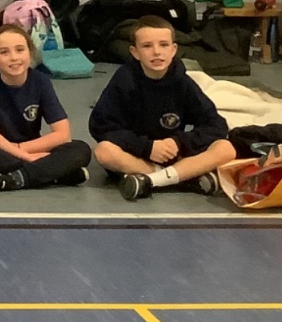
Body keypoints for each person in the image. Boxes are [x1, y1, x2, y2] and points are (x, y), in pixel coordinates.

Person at [89, 15, 234, 202]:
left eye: (164, 45)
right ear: (135, 52)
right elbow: (100, 126)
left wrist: (178, 142)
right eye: (147, 46)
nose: (156, 52)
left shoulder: (183, 83)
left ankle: (151, 181)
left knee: (225, 148)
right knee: (104, 151)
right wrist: (147, 147)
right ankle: (184, 179)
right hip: (137, 157)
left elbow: (216, 125)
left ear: (174, 50)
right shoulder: (124, 82)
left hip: (174, 154)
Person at [0, 23, 92, 193]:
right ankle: (55, 173)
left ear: (30, 53)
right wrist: (27, 157)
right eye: (4, 52)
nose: (14, 57)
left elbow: (62, 133)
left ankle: (9, 180)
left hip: (30, 145)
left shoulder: (41, 81)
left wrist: (21, 148)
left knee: (81, 149)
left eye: (20, 50)